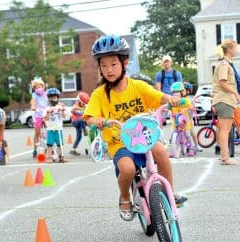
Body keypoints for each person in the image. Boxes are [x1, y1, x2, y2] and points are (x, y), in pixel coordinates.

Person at [83, 35, 187, 221]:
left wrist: (170, 99)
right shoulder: (99, 94)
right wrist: (97, 121)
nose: (109, 69)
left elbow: (159, 97)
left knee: (161, 152)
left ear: (124, 63)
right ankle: (124, 197)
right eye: (104, 65)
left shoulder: (138, 86)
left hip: (143, 136)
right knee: (128, 169)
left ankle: (169, 192)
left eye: (113, 64)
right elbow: (89, 117)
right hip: (119, 142)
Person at [212, 39, 240, 165]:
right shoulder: (224, 64)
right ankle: (225, 158)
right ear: (230, 49)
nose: (236, 50)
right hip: (224, 100)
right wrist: (236, 93)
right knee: (225, 130)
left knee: (224, 129)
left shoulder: (226, 63)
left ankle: (224, 157)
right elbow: (222, 82)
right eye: (235, 48)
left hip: (226, 100)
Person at [168, 82, 196, 157]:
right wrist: (167, 110)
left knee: (187, 135)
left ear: (181, 92)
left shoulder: (184, 100)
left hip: (184, 122)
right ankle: (172, 150)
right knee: (171, 136)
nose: (175, 94)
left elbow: (191, 106)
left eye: (177, 92)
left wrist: (191, 108)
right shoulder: (171, 101)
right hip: (175, 122)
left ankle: (191, 148)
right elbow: (168, 108)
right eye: (174, 92)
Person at [43, 87, 68, 163]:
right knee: (49, 144)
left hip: (58, 128)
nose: (53, 99)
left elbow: (64, 116)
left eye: (54, 97)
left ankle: (61, 156)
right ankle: (49, 157)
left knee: (59, 143)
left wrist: (62, 110)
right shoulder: (47, 108)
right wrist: (48, 112)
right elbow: (46, 118)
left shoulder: (60, 107)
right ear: (48, 99)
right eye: (51, 98)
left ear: (57, 98)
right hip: (50, 129)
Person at [30, 76, 48, 159]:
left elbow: (51, 101)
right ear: (34, 89)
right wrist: (33, 106)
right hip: (37, 114)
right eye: (36, 87)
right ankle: (35, 150)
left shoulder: (46, 94)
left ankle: (49, 147)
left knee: (50, 130)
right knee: (37, 133)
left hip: (46, 114)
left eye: (40, 86)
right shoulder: (34, 95)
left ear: (43, 86)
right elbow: (33, 102)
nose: (38, 88)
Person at [183, 82, 203, 152]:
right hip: (180, 119)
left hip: (189, 119)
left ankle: (196, 145)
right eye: (181, 90)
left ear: (188, 91)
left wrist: (191, 108)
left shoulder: (190, 99)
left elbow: (194, 108)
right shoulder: (178, 99)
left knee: (192, 133)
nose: (181, 92)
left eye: (183, 90)